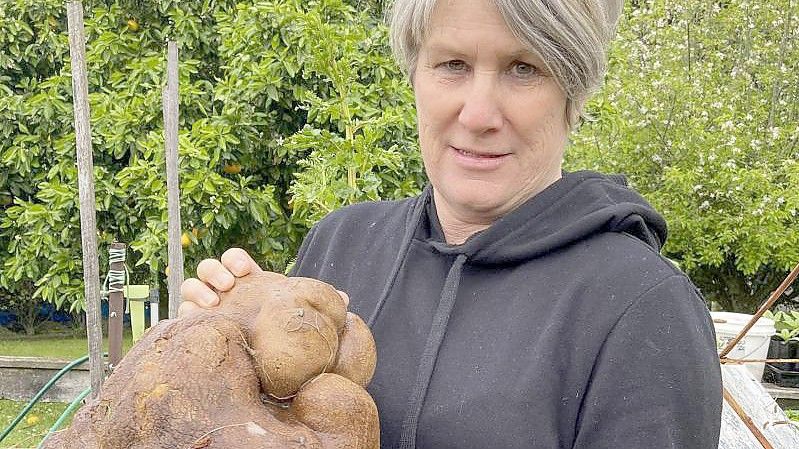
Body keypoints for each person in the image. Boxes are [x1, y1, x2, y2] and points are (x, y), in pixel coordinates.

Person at [180, 0, 723, 448]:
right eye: (453, 65)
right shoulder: (341, 243)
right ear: (415, 74)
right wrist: (209, 359)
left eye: (524, 69)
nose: (479, 114)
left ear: (572, 95)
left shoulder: (642, 307)